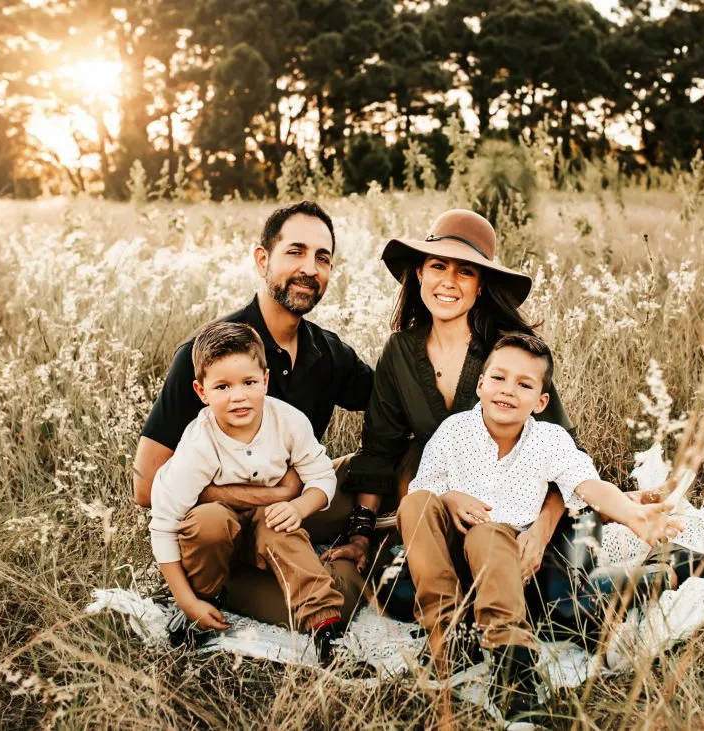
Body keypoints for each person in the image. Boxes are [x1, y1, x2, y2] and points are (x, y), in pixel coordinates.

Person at [398, 333, 681, 717]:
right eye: (498, 378)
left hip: (511, 556)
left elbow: (586, 484)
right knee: (416, 505)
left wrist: (631, 516)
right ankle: (448, 637)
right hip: (453, 551)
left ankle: (512, 663)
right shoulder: (453, 432)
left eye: (524, 384)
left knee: (494, 538)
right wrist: (449, 498)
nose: (508, 391)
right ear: (480, 384)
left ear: (541, 401)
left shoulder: (549, 439)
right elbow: (423, 491)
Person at [134, 201, 374, 627]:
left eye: (323, 258)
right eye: (295, 252)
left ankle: (343, 557)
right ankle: (223, 589)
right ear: (262, 259)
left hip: (286, 521)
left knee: (367, 474)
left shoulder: (328, 352)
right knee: (339, 595)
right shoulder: (207, 357)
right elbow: (148, 488)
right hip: (218, 534)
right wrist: (280, 494)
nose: (310, 268)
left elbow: (388, 405)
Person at [322, 209, 579, 604]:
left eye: (466, 271)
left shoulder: (509, 350)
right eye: (438, 265)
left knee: (559, 606)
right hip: (440, 511)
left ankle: (673, 567)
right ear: (420, 273)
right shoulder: (400, 351)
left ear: (481, 286)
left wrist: (539, 533)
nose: (449, 281)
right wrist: (360, 535)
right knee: (401, 600)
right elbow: (379, 452)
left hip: (517, 514)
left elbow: (565, 455)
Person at [150, 322, 346, 663]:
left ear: (266, 381)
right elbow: (164, 524)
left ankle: (325, 627)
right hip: (217, 535)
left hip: (265, 524)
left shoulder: (288, 421)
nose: (238, 396)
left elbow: (322, 477)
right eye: (223, 386)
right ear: (201, 391)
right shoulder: (199, 444)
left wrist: (299, 506)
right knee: (207, 520)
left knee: (279, 524)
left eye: (249, 383)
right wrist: (186, 600)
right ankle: (206, 600)